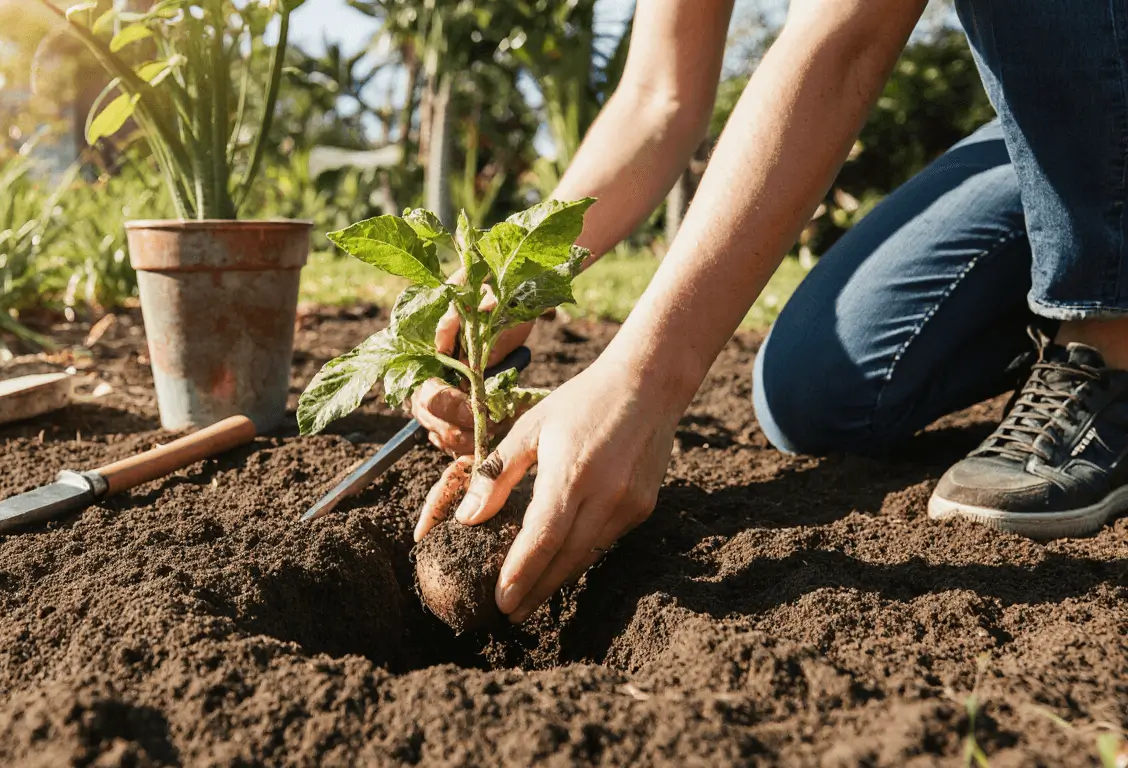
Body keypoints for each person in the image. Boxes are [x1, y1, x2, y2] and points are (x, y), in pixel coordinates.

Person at [408, 0, 1128, 624]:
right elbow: (657, 97)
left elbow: (846, 39)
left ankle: (1109, 338)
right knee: (818, 391)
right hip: (1072, 119)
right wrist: (518, 278)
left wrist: (644, 381)